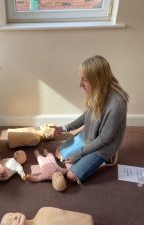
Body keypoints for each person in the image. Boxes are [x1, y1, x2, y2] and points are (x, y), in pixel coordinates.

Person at [52, 55, 129, 184]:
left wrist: (78, 154)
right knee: (58, 154)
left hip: (104, 145)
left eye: (84, 79)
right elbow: (87, 115)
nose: (80, 84)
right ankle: (83, 156)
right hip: (88, 137)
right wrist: (65, 128)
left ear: (98, 80)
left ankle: (110, 155)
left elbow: (104, 139)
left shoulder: (117, 104)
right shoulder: (97, 91)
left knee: (71, 176)